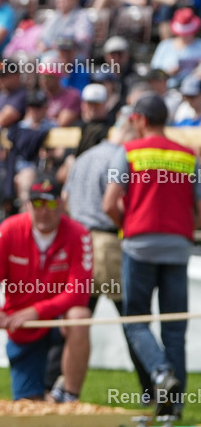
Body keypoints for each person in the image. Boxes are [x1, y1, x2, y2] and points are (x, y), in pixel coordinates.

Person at [103, 94, 201, 417]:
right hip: (177, 247)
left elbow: (109, 203)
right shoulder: (189, 156)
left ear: (141, 120)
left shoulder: (128, 151)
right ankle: (174, 409)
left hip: (139, 246)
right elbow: (199, 209)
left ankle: (160, 373)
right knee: (174, 327)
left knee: (136, 320)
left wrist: (127, 225)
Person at [63, 119, 153, 402]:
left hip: (79, 244)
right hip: (107, 244)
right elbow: (116, 203)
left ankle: (61, 388)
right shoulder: (118, 158)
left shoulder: (81, 159)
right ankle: (152, 388)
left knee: (76, 320)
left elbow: (65, 199)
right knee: (132, 321)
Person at [0, 178, 93, 401]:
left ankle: (70, 396)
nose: (44, 211)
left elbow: (78, 291)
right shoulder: (8, 230)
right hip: (22, 327)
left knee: (80, 316)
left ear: (62, 204)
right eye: (37, 203)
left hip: (56, 321)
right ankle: (52, 393)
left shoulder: (79, 234)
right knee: (28, 404)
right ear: (28, 205)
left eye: (50, 203)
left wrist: (37, 311)